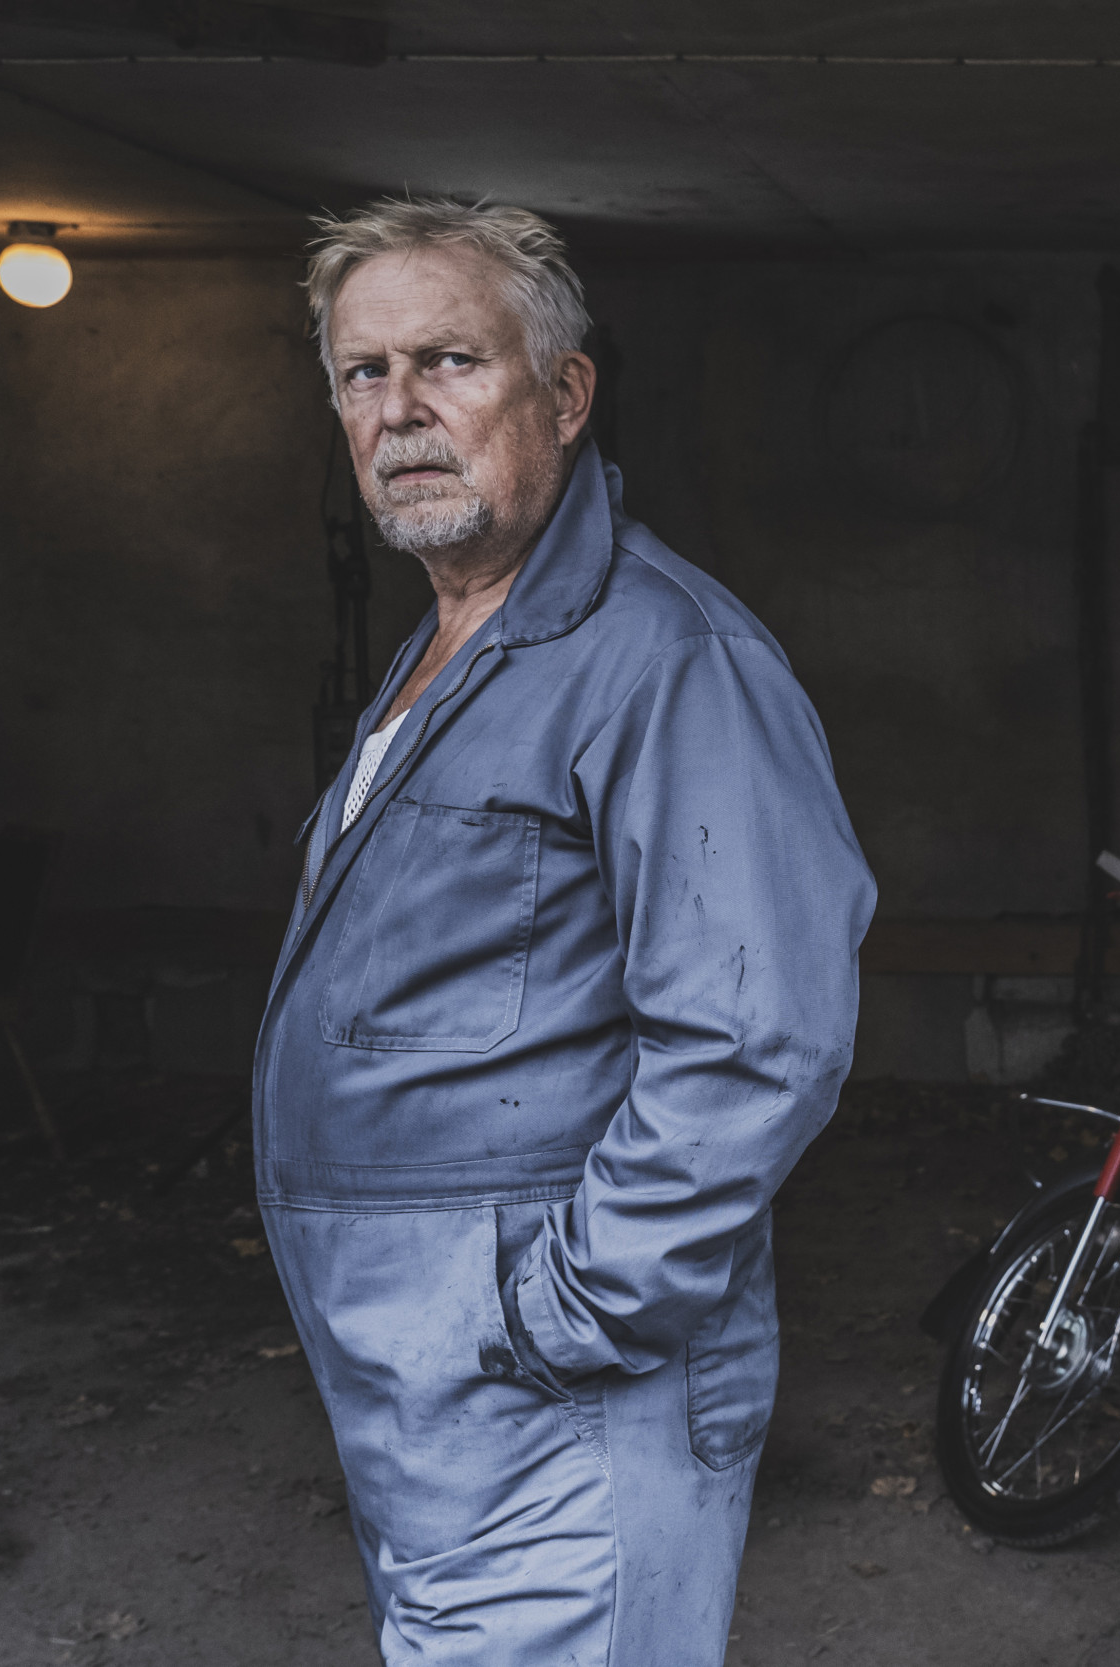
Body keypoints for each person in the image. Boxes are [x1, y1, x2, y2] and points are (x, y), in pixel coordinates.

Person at [254, 196, 874, 1666]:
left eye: (450, 361)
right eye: (362, 372)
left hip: (556, 1388)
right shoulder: (455, 640)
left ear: (568, 392)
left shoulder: (664, 655)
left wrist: (567, 1316)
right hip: (430, 1389)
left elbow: (757, 1040)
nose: (400, 409)